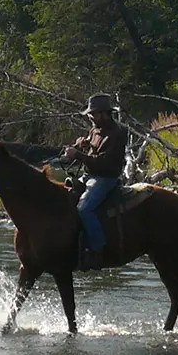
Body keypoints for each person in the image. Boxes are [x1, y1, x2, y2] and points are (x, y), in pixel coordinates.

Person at [58, 93, 129, 263]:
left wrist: (79, 155)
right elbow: (93, 149)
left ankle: (98, 249)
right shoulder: (95, 129)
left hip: (105, 178)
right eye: (90, 114)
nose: (90, 117)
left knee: (84, 209)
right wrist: (83, 145)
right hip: (89, 175)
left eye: (93, 114)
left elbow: (105, 162)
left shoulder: (117, 133)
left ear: (104, 114)